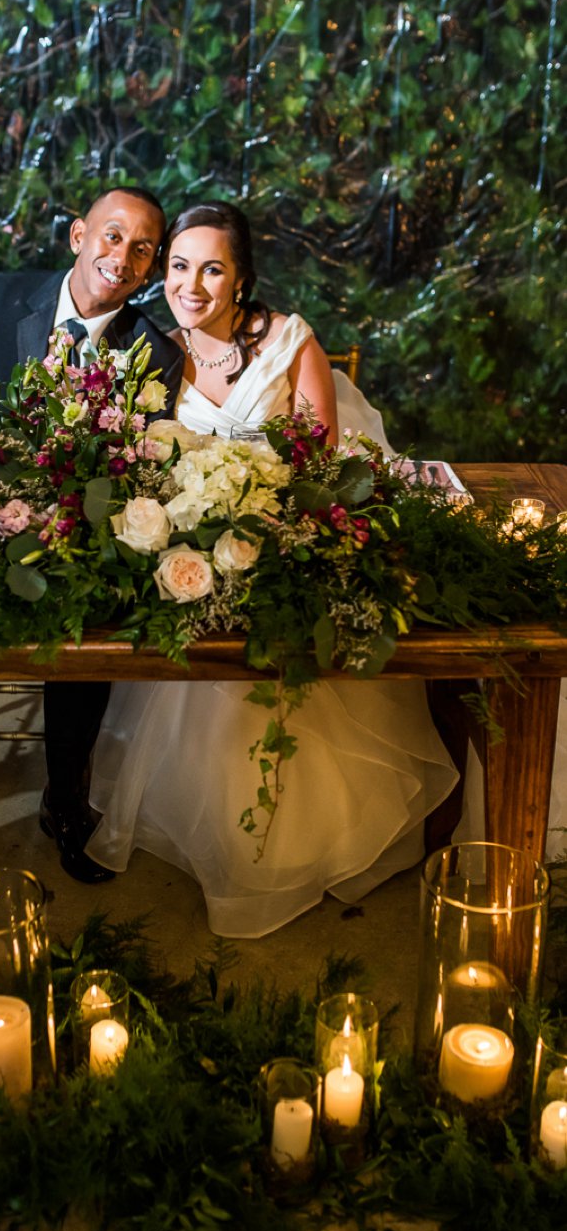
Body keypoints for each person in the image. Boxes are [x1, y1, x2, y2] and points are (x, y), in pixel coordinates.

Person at [85, 200, 459, 936]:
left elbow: (321, 460)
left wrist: (267, 518)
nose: (192, 285)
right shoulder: (147, 352)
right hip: (197, 555)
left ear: (242, 277)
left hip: (288, 540)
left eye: (212, 269)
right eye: (179, 267)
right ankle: (220, 835)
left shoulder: (290, 341)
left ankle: (288, 849)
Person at [0, 186, 185, 883]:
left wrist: (67, 517)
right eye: (111, 235)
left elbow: (139, 469)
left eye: (143, 248)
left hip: (77, 530)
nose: (121, 256)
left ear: (152, 268)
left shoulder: (153, 353)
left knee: (89, 603)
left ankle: (64, 797)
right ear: (77, 236)